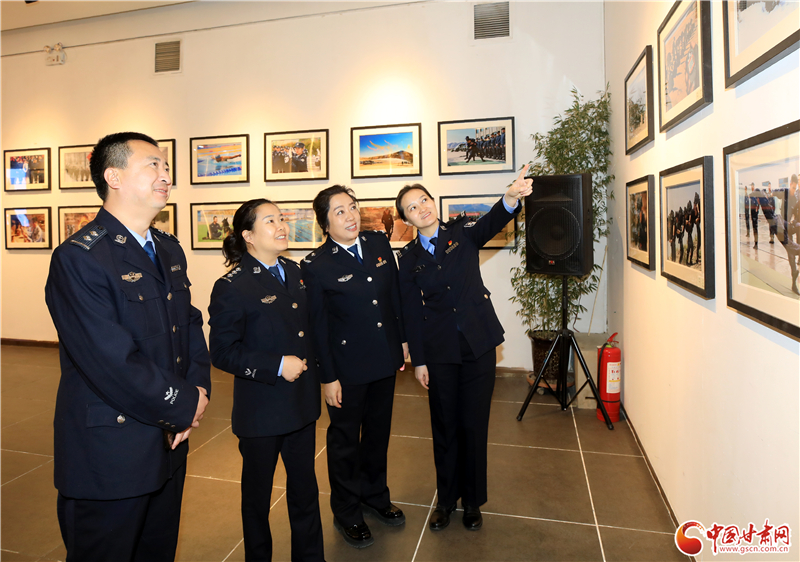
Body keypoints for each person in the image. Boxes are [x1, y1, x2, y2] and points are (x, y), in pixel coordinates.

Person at [44, 132, 211, 562]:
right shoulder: (80, 257)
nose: (166, 175)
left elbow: (189, 325)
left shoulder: (167, 249)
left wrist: (199, 391)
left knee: (157, 550)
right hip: (112, 450)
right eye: (153, 164)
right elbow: (110, 360)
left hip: (169, 440)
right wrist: (184, 403)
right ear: (113, 177)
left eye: (166, 167)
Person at [395, 166, 532, 532]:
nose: (422, 208)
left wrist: (511, 197)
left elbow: (493, 222)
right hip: (439, 351)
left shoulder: (462, 233)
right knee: (444, 425)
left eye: (424, 200)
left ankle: (472, 501)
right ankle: (446, 500)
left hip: (478, 344)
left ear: (433, 202)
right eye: (412, 207)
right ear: (406, 220)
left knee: (473, 424)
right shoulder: (407, 259)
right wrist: (419, 360)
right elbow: (410, 312)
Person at [208, 199, 324, 562]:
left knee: (305, 491)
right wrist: (276, 365)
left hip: (301, 403)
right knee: (257, 499)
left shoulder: (295, 272)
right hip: (262, 411)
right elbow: (222, 352)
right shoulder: (232, 285)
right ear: (248, 235)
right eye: (270, 221)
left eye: (282, 218)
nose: (282, 226)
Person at [301, 185, 408, 549]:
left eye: (352, 207)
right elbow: (318, 327)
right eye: (339, 212)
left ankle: (375, 495)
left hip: (384, 358)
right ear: (325, 223)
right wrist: (327, 377)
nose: (350, 216)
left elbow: (393, 297)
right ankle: (347, 511)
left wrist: (402, 341)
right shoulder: (316, 265)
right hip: (346, 368)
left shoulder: (377, 244)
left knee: (378, 434)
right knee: (345, 441)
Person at [750, 183, 762, 249]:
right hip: (753, 215)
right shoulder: (753, 197)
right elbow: (750, 195)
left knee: (755, 229)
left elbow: (758, 207)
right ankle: (755, 243)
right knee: (754, 229)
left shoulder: (757, 199)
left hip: (755, 215)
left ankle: (756, 243)